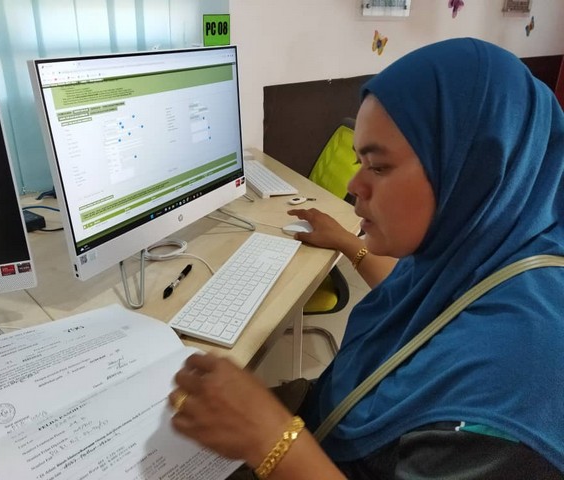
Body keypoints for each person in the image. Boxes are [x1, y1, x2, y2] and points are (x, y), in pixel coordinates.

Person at [168, 37, 564, 479]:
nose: (354, 185)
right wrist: (346, 242)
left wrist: (273, 441)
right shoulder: (484, 244)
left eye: (378, 167)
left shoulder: (514, 397)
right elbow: (426, 301)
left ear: (478, 166)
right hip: (330, 422)